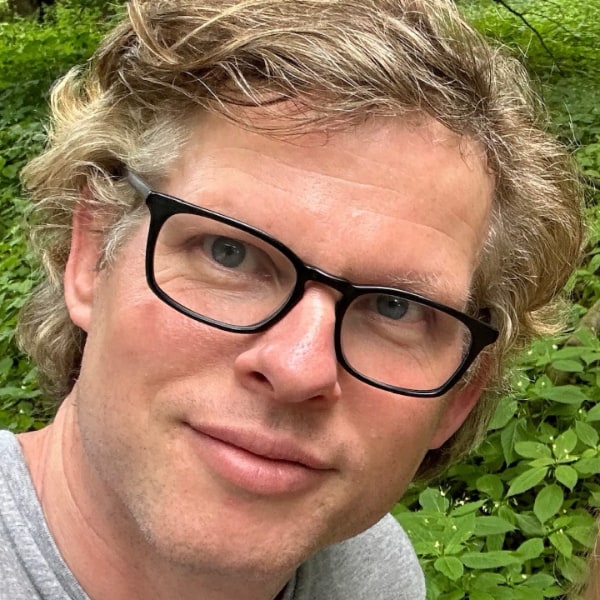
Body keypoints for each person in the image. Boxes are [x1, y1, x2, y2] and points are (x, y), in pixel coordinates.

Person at [0, 1, 584, 599]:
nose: (297, 367)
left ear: (461, 394)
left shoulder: (373, 572)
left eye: (395, 308)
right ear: (91, 256)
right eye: (227, 253)